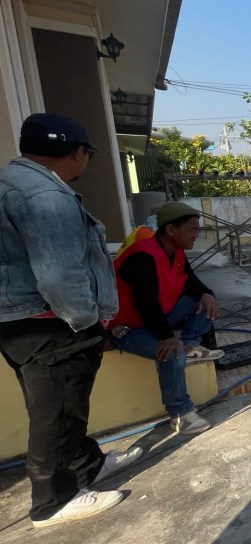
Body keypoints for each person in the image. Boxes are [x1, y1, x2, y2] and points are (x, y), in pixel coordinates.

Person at [0, 113, 142, 527]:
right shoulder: (46, 196)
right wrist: (87, 323)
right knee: (58, 411)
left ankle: (87, 466)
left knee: (58, 403)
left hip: (20, 321)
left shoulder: (10, 183)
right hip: (52, 323)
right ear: (78, 152)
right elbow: (60, 275)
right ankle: (53, 501)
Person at [108, 201, 222, 435]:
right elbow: (145, 302)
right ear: (171, 229)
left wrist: (207, 293)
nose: (197, 234)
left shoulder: (176, 251)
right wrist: (167, 337)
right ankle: (180, 414)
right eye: (192, 229)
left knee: (204, 301)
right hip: (129, 328)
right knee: (172, 353)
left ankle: (190, 345)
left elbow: (191, 282)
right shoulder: (142, 255)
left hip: (157, 316)